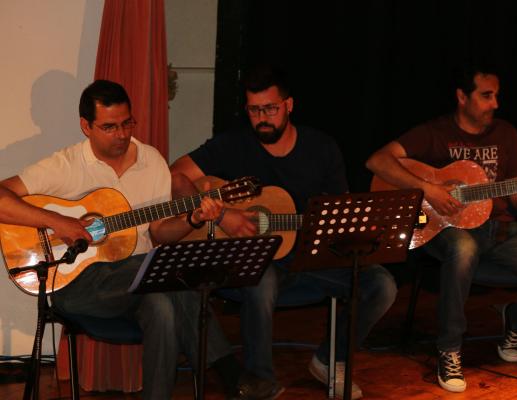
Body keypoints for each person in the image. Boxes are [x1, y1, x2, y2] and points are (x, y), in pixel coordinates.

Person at [0, 80, 241, 399]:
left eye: (127, 123)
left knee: (163, 305)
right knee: (167, 270)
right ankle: (230, 371)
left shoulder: (151, 160)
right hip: (76, 283)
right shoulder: (67, 164)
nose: (122, 134)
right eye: (109, 127)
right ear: (86, 126)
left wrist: (192, 218)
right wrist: (58, 221)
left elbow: (158, 233)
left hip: (140, 283)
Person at [170, 65, 398, 399]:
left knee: (383, 284)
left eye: (270, 108)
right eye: (254, 110)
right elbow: (175, 176)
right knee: (262, 280)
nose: (262, 117)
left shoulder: (321, 148)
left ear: (289, 105)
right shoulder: (233, 144)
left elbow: (338, 212)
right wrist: (223, 217)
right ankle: (260, 381)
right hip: (253, 257)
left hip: (307, 256)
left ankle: (328, 360)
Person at [366, 65, 517, 393]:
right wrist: (429, 189)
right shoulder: (434, 132)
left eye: (497, 96)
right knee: (463, 248)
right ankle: (449, 349)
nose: (495, 104)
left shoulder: (506, 134)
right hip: (446, 229)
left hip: (502, 232)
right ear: (462, 97)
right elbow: (378, 162)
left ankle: (516, 323)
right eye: (486, 96)